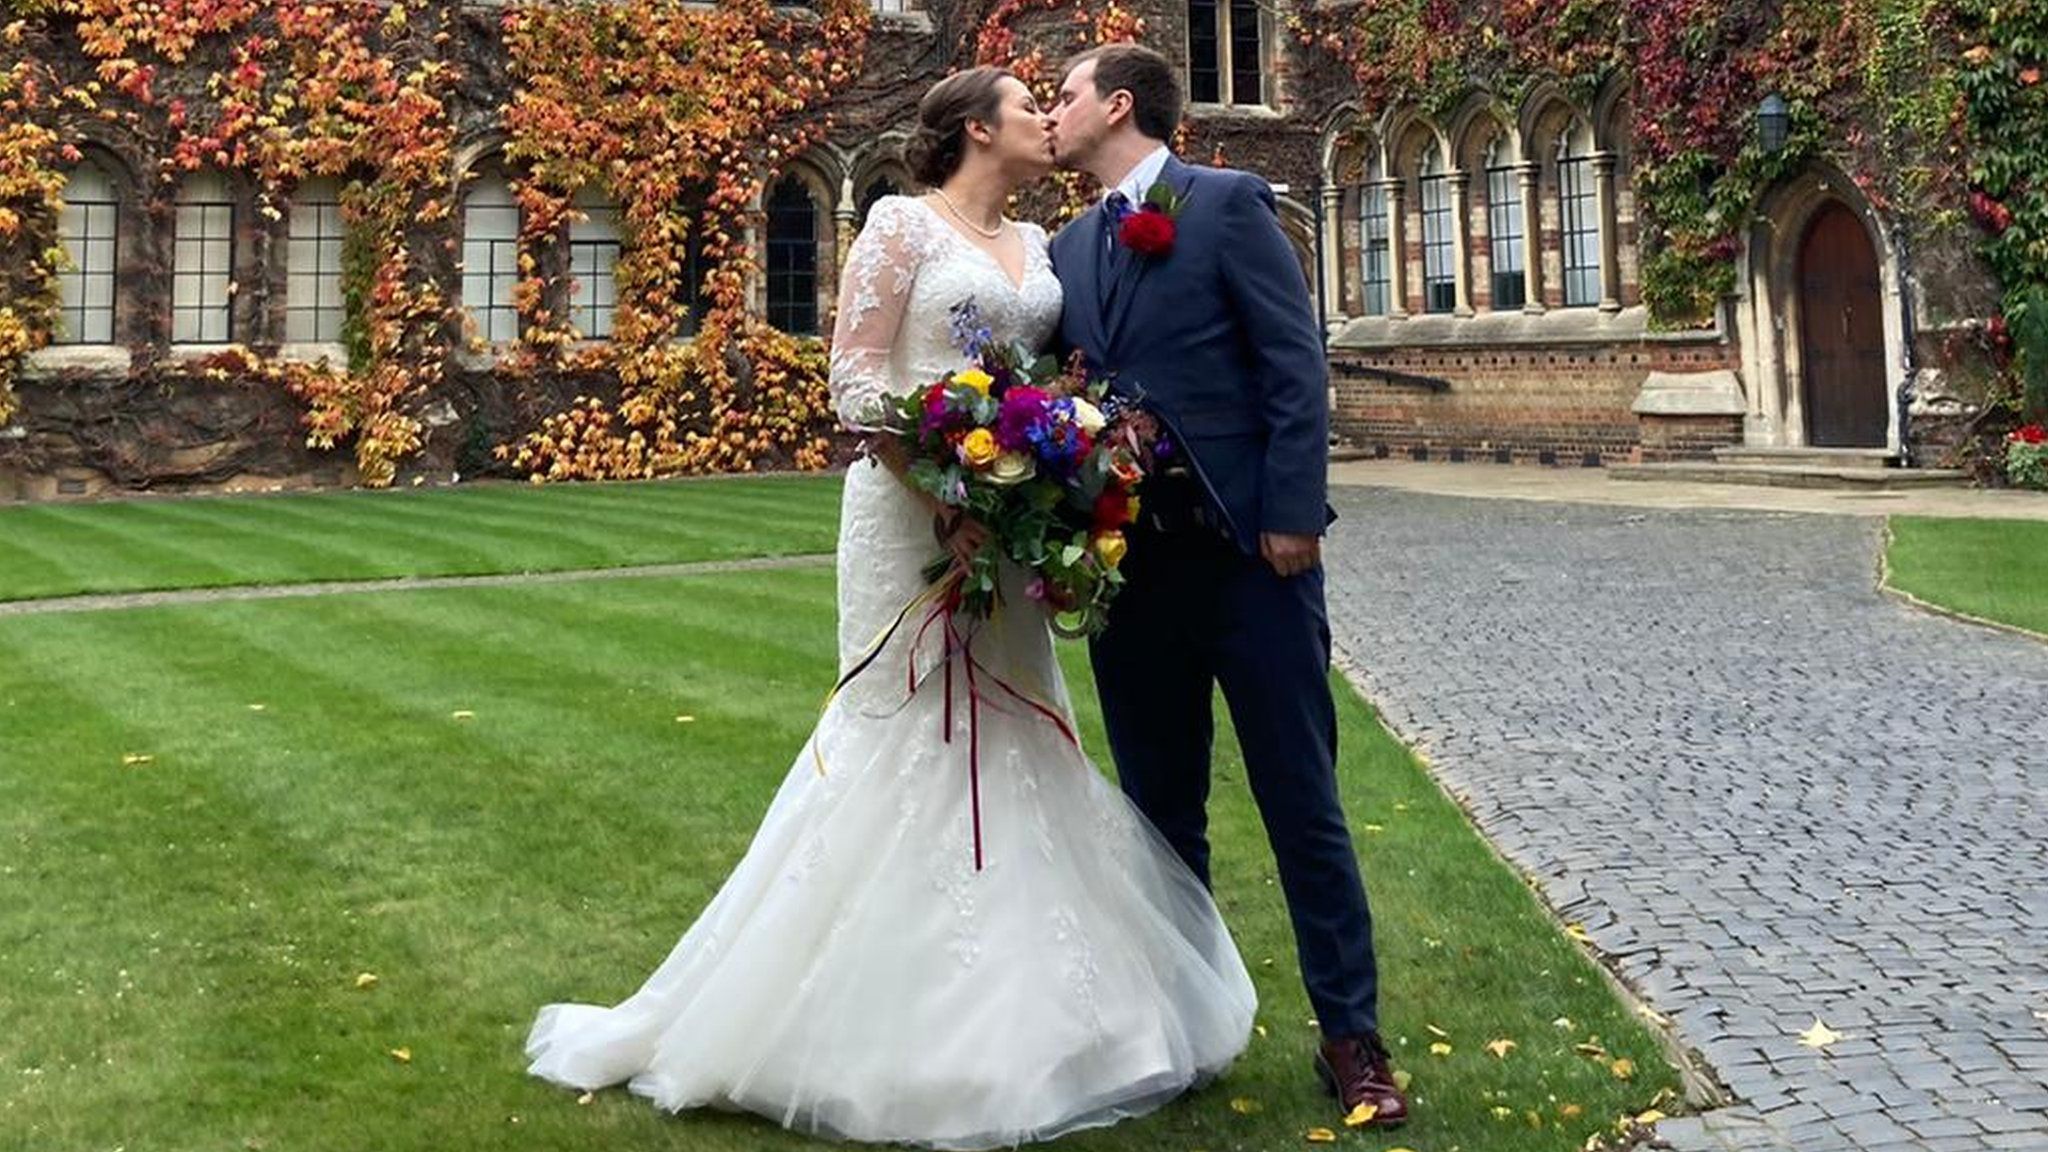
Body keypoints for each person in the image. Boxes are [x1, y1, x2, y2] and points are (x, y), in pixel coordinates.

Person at [524, 67, 1256, 1150]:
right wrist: (951, 480)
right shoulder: (899, 228)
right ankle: (852, 1026)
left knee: (1018, 732)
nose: (1042, 120)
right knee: (904, 730)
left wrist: (1041, 469)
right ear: (976, 127)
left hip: (1005, 521)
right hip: (909, 515)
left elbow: (1055, 382)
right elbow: (853, 381)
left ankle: (1050, 1017)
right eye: (1025, 107)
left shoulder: (1044, 248)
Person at [1044, 43, 1409, 1129]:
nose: (1050, 112)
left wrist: (1292, 510)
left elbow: (1292, 361)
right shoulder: (1062, 248)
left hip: (1253, 562)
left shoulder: (1226, 203)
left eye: (1062, 95)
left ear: (1116, 106)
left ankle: (1351, 1041)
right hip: (1133, 575)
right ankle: (1183, 1028)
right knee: (1161, 818)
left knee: (1302, 803)